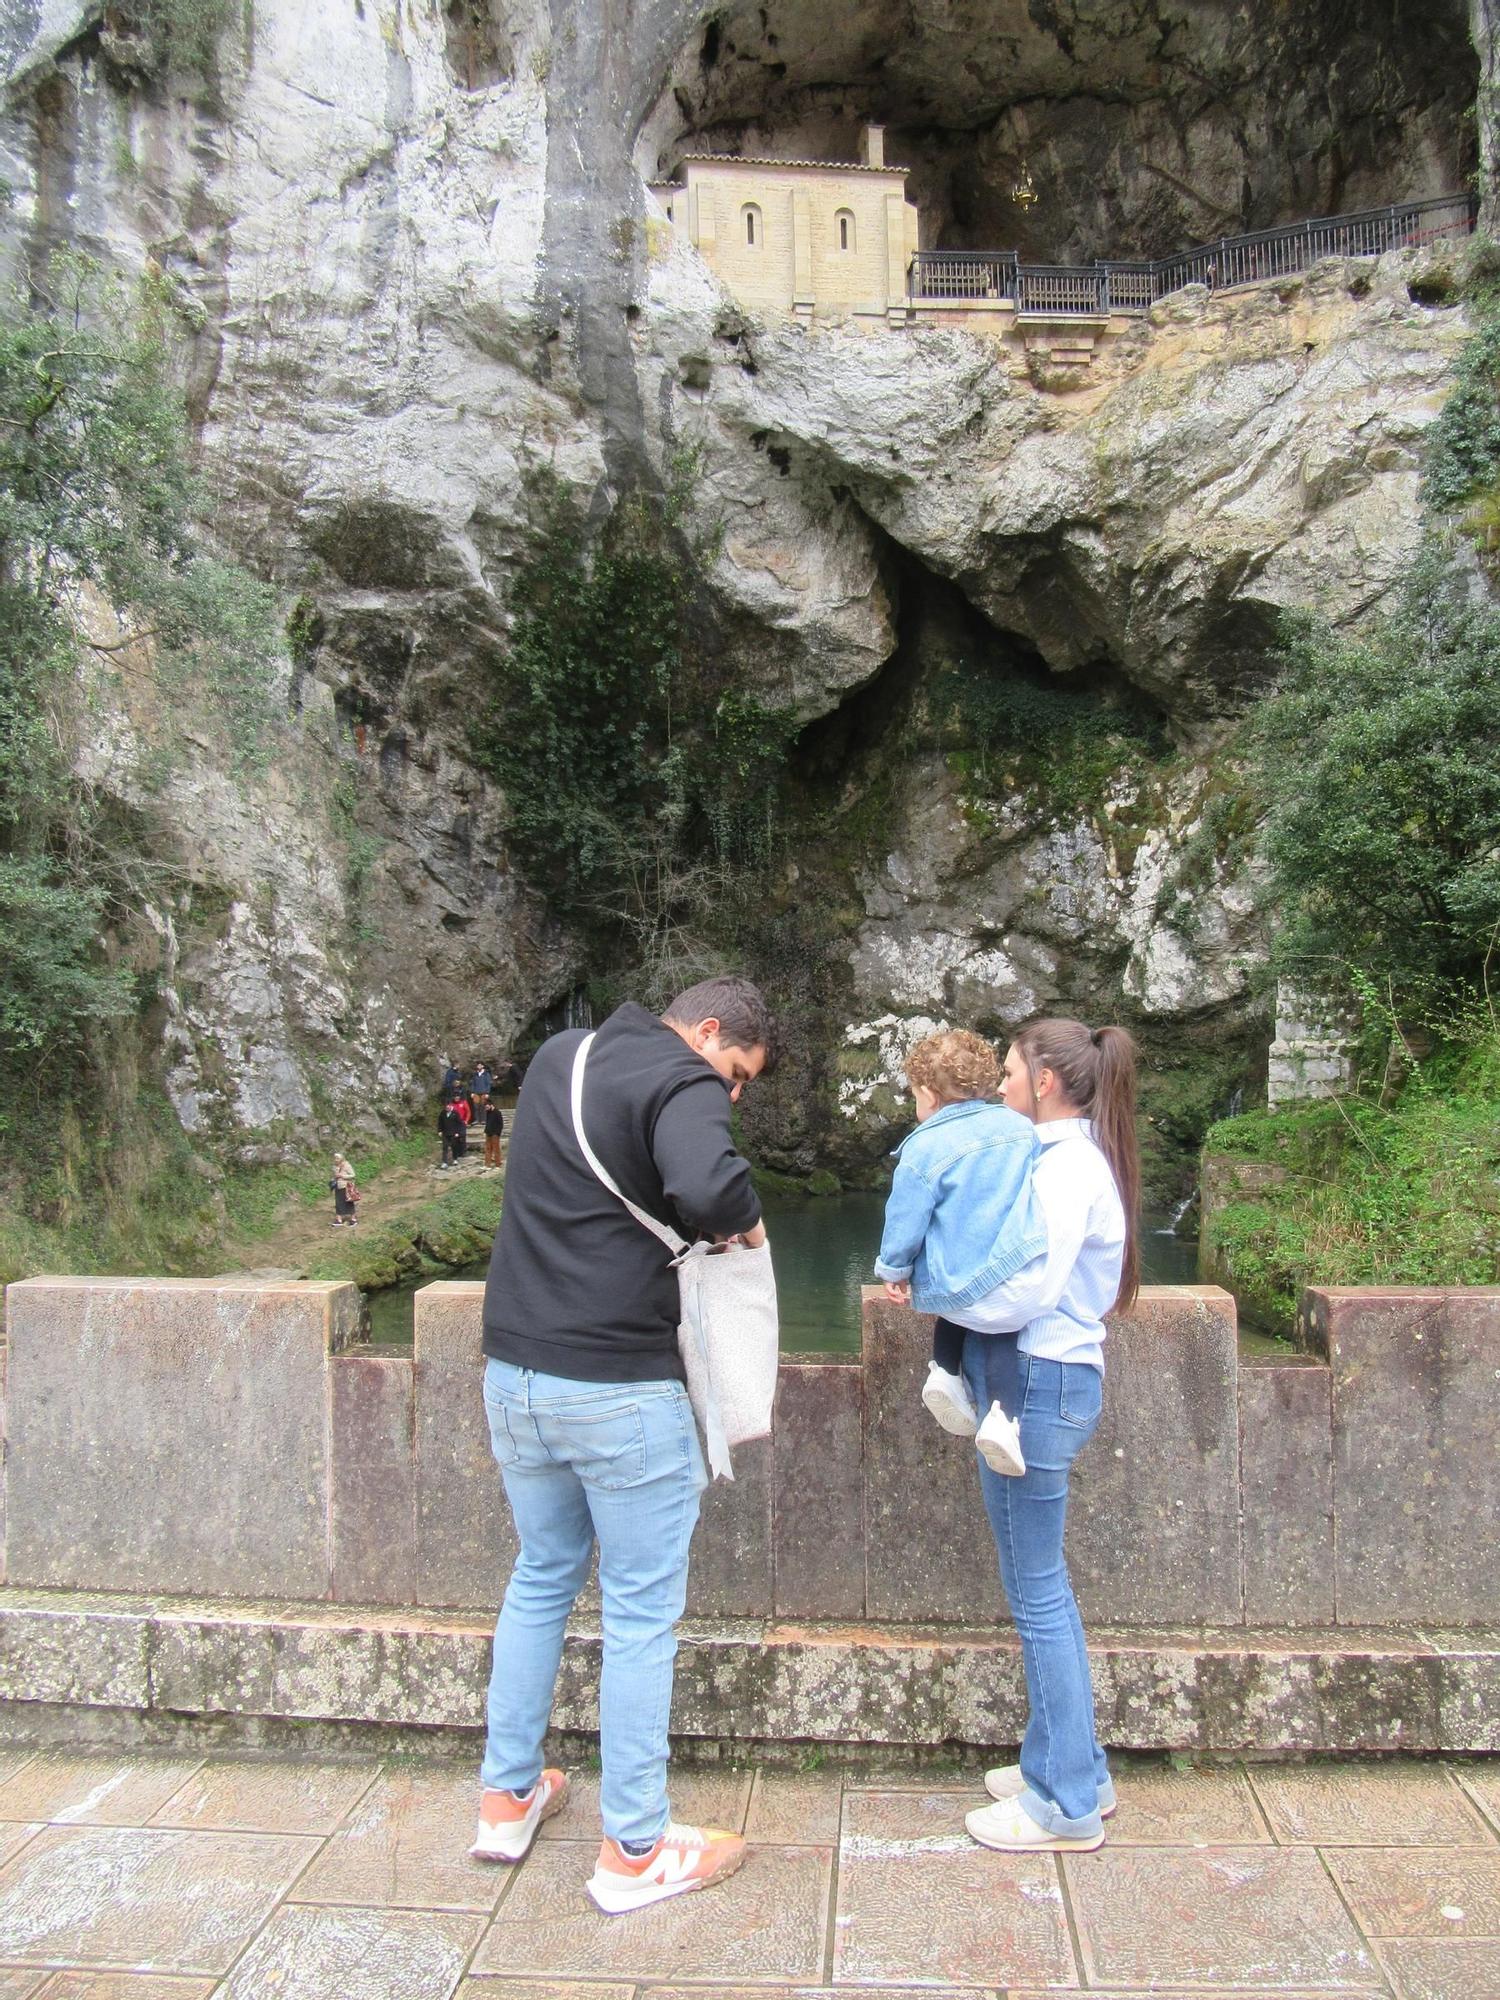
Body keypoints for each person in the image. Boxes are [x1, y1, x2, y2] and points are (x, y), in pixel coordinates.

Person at [472, 975, 775, 1914]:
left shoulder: (563, 1056)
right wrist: (745, 1222)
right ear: (708, 1032)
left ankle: (506, 1797)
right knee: (640, 1615)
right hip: (617, 1387)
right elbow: (709, 1185)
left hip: (515, 1373)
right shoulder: (680, 1082)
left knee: (540, 1576)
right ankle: (635, 1849)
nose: (729, 1095)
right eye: (735, 1074)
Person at [954, 1018, 1141, 1857]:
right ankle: (1075, 1765)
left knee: (1037, 1595)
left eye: (1008, 1072)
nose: (999, 1086)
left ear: (1049, 1083)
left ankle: (1063, 1802)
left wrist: (941, 1298)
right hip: (1044, 1379)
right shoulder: (1064, 1157)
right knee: (1040, 1588)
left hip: (1042, 1380)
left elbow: (1029, 1286)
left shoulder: (1066, 1168)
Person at [873, 1030, 1045, 1477]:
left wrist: (894, 1269)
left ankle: (946, 1373)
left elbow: (905, 1219)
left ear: (928, 1094)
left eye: (914, 1095)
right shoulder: (1020, 1128)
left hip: (958, 1290)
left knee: (952, 1294)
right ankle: (1003, 1419)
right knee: (1003, 1328)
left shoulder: (922, 1149)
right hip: (1017, 1277)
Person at [330, 1153, 358, 1228]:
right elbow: (334, 1175)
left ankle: (353, 1219)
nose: (336, 1160)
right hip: (338, 1187)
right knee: (338, 1203)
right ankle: (338, 1220)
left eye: (337, 1158)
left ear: (341, 1159)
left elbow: (353, 1175)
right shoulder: (334, 1167)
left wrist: (342, 1176)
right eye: (335, 1158)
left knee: (349, 1202)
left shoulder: (347, 1165)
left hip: (346, 1186)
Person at [439, 1098, 466, 1169]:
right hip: (445, 1133)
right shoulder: (442, 1113)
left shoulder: (455, 1113)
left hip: (454, 1133)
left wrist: (458, 1132)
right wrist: (440, 1130)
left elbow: (459, 1123)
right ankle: (444, 1162)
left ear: (450, 1105)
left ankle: (455, 1159)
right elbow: (440, 1123)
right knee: (445, 1147)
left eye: (447, 1107)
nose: (446, 1108)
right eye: (445, 1107)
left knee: (454, 1146)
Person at [483, 1098, 505, 1169]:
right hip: (488, 1133)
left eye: (487, 1107)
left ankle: (498, 1164)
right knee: (488, 1149)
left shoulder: (497, 1112)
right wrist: (485, 1131)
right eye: (485, 1107)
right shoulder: (488, 1112)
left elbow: (501, 1124)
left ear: (491, 1105)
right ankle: (487, 1165)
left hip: (495, 1133)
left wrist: (498, 1133)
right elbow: (488, 1123)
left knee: (496, 1149)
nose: (486, 1108)